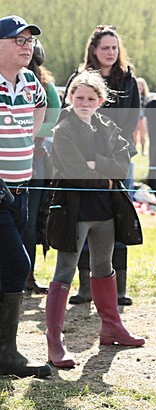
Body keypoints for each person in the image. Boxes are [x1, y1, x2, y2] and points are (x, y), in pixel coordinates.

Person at [45, 71, 144, 368]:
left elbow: (123, 162)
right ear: (70, 97)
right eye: (79, 97)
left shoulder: (107, 125)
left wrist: (97, 164)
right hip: (73, 210)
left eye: (90, 98)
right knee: (65, 270)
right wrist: (106, 174)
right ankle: (54, 340)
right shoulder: (62, 129)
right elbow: (75, 171)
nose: (84, 103)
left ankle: (111, 327)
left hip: (104, 212)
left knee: (104, 267)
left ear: (100, 101)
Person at [65, 25, 140, 306]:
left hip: (119, 158)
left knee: (119, 217)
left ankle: (118, 289)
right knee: (84, 218)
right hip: (84, 160)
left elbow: (131, 118)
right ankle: (85, 288)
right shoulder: (81, 79)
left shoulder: (128, 79)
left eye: (114, 48)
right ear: (94, 51)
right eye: (105, 48)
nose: (110, 52)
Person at [0, 15, 51, 379]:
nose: (26, 45)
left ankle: (6, 355)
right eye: (18, 39)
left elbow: (40, 107)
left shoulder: (31, 81)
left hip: (23, 189)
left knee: (14, 267)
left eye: (29, 40)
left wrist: (27, 138)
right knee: (17, 266)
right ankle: (8, 356)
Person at [22, 40, 61, 295]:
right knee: (30, 218)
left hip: (34, 158)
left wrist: (23, 134)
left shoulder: (44, 87)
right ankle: (26, 276)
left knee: (29, 218)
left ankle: (26, 276)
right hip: (32, 158)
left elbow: (53, 118)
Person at [133, 77, 150, 156]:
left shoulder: (146, 98)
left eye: (141, 85)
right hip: (135, 118)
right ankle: (134, 149)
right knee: (134, 135)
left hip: (142, 118)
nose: (139, 87)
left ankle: (143, 150)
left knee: (143, 135)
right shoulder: (133, 97)